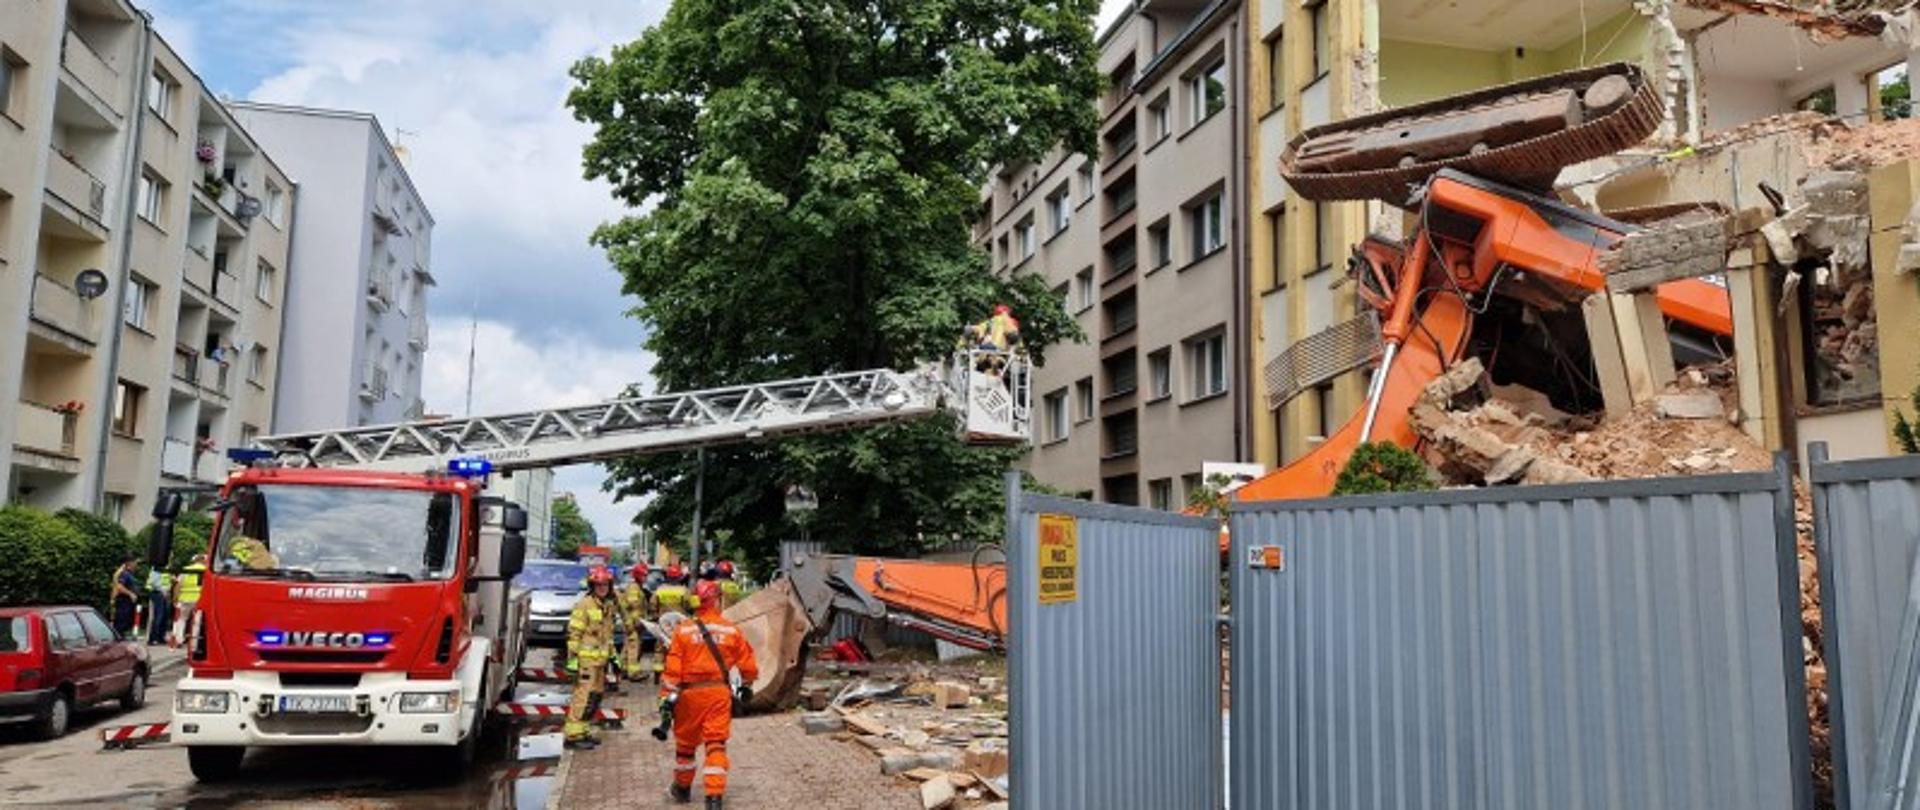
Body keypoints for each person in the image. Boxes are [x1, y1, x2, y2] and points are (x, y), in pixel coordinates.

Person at [660, 579, 759, 808]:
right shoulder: (730, 629)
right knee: (715, 744)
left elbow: (673, 668)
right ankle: (714, 798)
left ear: (695, 601)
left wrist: (666, 698)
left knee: (685, 745)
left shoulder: (683, 630)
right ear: (716, 600)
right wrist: (747, 685)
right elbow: (748, 664)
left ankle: (682, 789)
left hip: (689, 696)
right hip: (718, 694)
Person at [562, 565, 619, 750]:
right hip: (586, 663)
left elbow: (608, 636)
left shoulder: (608, 606)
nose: (602, 588)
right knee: (583, 698)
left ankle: (583, 731)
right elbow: (574, 634)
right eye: (599, 585)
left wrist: (614, 658)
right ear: (592, 586)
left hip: (600, 663)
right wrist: (572, 661)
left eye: (605, 585)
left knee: (594, 698)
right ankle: (572, 736)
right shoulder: (584, 605)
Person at [617, 562, 654, 685]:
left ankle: (622, 669)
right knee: (634, 646)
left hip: (633, 622)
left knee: (628, 646)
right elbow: (634, 606)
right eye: (644, 575)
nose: (646, 577)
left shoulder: (638, 587)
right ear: (638, 575)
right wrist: (638, 621)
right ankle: (633, 673)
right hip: (632, 622)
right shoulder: (634, 588)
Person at [172, 554, 207, 648]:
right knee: (197, 621)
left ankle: (179, 640)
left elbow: (178, 585)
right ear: (203, 560)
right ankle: (194, 643)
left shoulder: (186, 569)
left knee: (181, 619)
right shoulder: (206, 570)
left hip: (184, 598)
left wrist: (175, 598)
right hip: (199, 599)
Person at [109, 555, 140, 639]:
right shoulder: (124, 573)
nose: (136, 564)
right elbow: (119, 586)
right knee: (120, 623)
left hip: (128, 603)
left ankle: (121, 638)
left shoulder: (129, 574)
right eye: (135, 562)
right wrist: (131, 594)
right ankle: (118, 640)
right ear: (129, 563)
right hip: (123, 602)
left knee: (125, 623)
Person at [144, 563, 172, 646]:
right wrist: (163, 590)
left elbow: (166, 581)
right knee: (158, 616)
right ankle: (152, 639)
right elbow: (153, 582)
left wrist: (167, 590)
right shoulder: (156, 568)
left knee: (164, 616)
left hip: (164, 594)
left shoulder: (166, 568)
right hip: (157, 593)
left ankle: (160, 637)